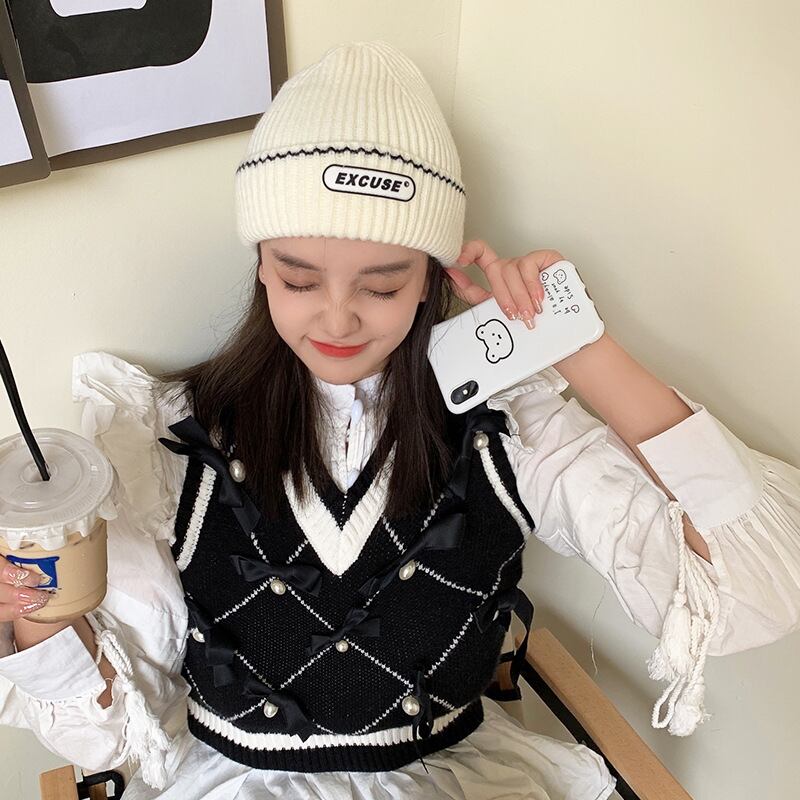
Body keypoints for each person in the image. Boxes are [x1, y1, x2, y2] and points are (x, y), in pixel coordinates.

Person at [2, 39, 800, 800]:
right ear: (261, 266)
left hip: (451, 776)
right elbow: (111, 735)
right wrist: (31, 617)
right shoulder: (168, 440)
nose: (337, 318)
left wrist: (578, 341)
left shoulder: (510, 427)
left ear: (430, 279)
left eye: (382, 286)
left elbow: (755, 592)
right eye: (298, 279)